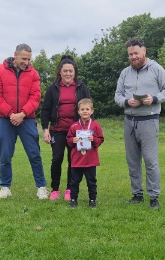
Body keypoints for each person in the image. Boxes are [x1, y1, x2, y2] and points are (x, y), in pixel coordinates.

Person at [114, 37, 165, 209]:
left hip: (149, 120)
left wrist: (155, 98)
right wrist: (127, 102)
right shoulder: (125, 73)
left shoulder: (157, 69)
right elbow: (118, 96)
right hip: (129, 121)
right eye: (130, 54)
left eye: (136, 53)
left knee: (151, 161)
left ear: (144, 51)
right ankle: (137, 194)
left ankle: (154, 197)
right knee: (132, 161)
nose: (133, 57)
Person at [0, 43, 48, 199]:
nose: (26, 62)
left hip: (27, 119)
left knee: (34, 154)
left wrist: (22, 114)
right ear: (15, 55)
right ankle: (5, 187)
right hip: (4, 119)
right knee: (5, 155)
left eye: (29, 59)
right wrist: (12, 114)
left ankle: (41, 187)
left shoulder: (34, 73)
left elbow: (36, 97)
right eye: (24, 58)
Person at [41, 55, 90, 201]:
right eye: (65, 71)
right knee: (57, 159)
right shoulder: (52, 88)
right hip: (57, 129)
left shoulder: (82, 88)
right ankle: (55, 189)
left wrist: (87, 130)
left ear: (75, 72)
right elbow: (45, 110)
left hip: (77, 131)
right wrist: (45, 129)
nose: (68, 73)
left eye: (71, 71)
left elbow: (89, 108)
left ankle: (70, 189)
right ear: (60, 72)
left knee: (73, 159)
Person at [66, 98, 104, 208]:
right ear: (78, 111)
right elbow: (68, 140)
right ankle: (73, 199)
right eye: (82, 109)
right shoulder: (74, 126)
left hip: (90, 160)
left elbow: (100, 139)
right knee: (74, 182)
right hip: (77, 160)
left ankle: (92, 200)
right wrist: (72, 140)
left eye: (87, 109)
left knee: (91, 181)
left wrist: (94, 139)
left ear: (92, 111)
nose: (85, 111)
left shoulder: (95, 125)